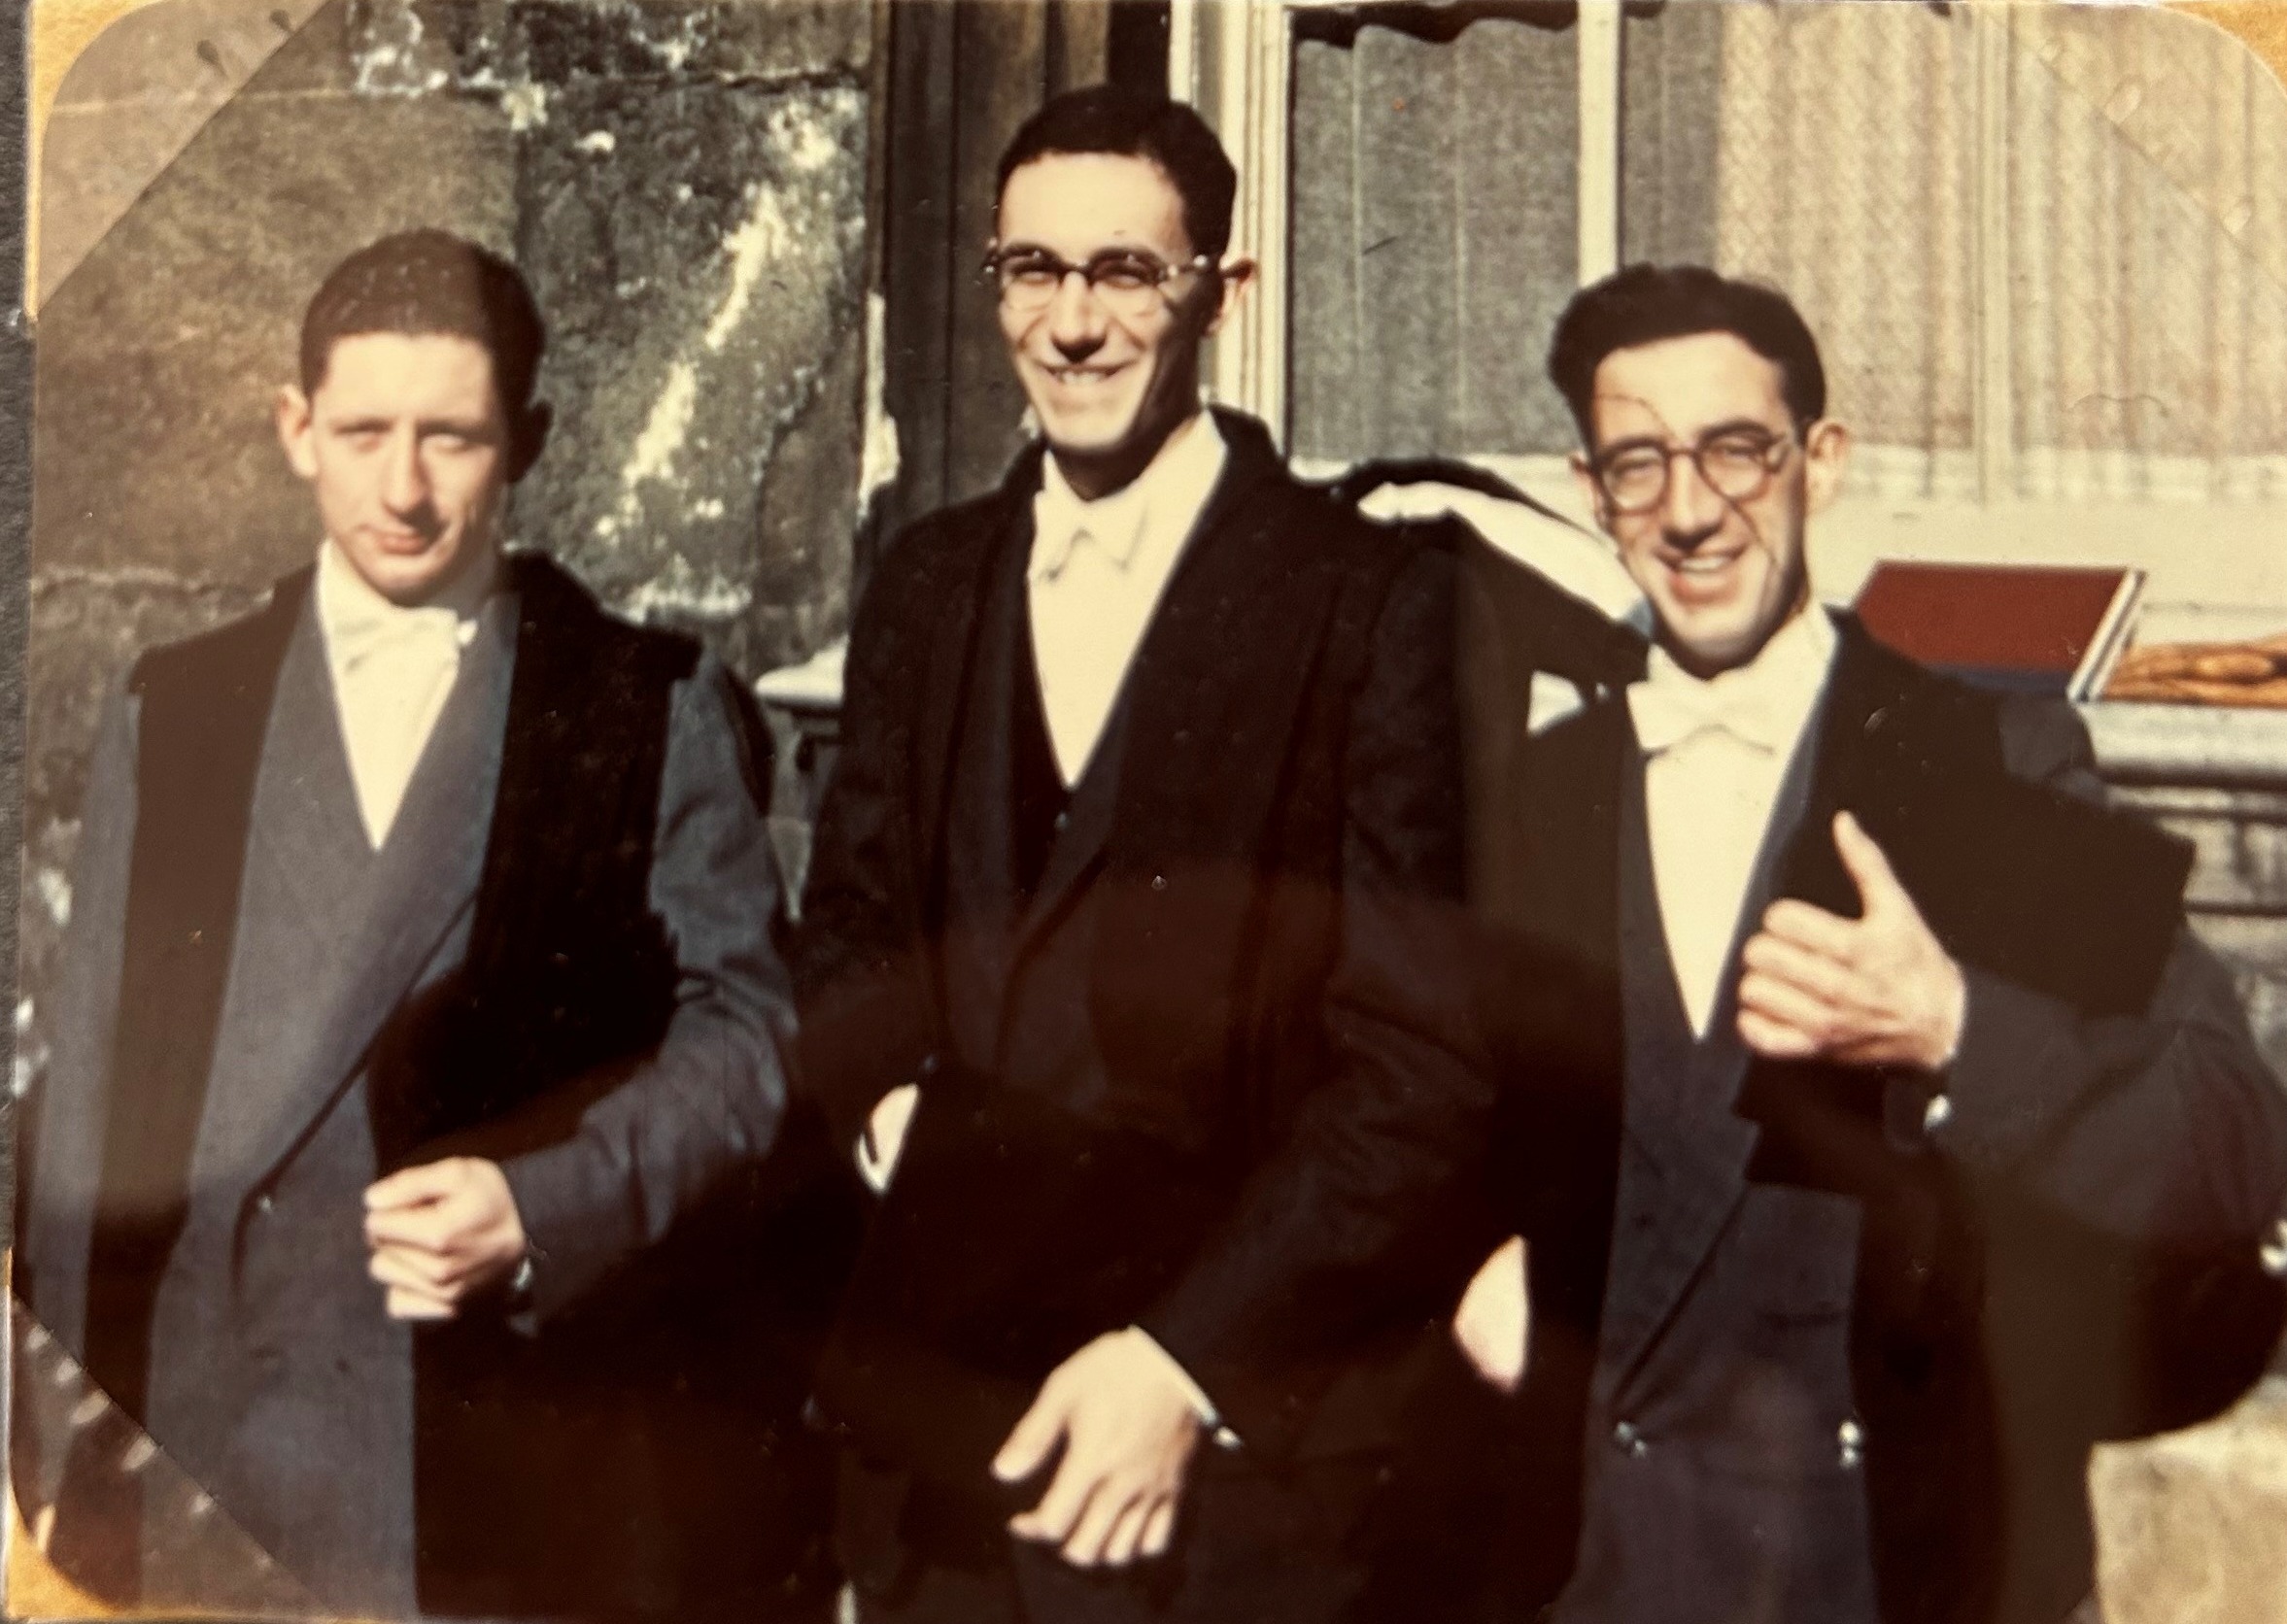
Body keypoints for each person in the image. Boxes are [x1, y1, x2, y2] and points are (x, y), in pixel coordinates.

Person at [1409, 263, 2287, 1624]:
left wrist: (1956, 1033)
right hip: (1584, 1573)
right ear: (1590, 495)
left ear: (1820, 462)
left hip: (1884, 1572)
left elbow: (2232, 1149)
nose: (1689, 511)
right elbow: (1397, 1137)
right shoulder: (1533, 798)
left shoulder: (1974, 768)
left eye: (1734, 451)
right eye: (1637, 464)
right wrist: (1455, 1268)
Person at [16, 228, 836, 1621]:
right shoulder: (176, 706)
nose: (401, 490)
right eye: (363, 431)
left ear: (529, 439)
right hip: (208, 1438)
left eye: (451, 438)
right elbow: (90, 1097)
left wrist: (548, 1203)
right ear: (295, 428)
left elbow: (752, 1039)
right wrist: (50, 1450)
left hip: (491, 1435)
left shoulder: (644, 701)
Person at [790, 85, 1495, 1624]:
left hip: (1226, 1490)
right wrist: (900, 1121)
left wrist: (1188, 1360)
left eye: (1126, 273)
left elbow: (1421, 1066)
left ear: (1222, 297)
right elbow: (844, 935)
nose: (1073, 325)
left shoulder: (1366, 603)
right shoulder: (924, 584)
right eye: (1032, 271)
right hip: (944, 1456)